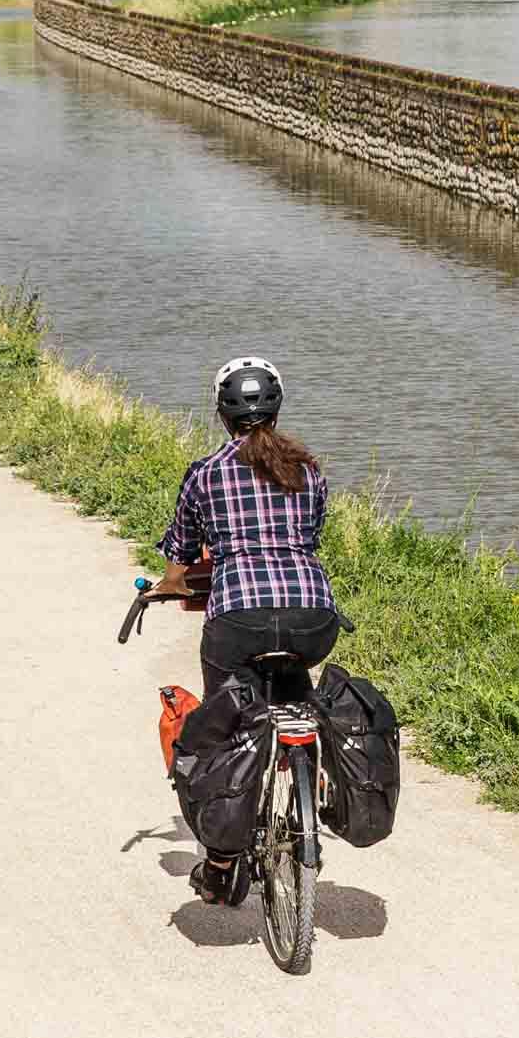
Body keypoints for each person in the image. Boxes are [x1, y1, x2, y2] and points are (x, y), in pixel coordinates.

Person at [156, 355, 338, 907]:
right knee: (294, 689)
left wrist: (168, 588)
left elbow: (180, 566)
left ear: (221, 414)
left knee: (229, 727)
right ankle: (309, 776)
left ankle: (221, 862)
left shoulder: (206, 474)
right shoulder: (309, 471)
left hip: (238, 617)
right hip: (312, 617)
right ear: (278, 411)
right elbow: (308, 539)